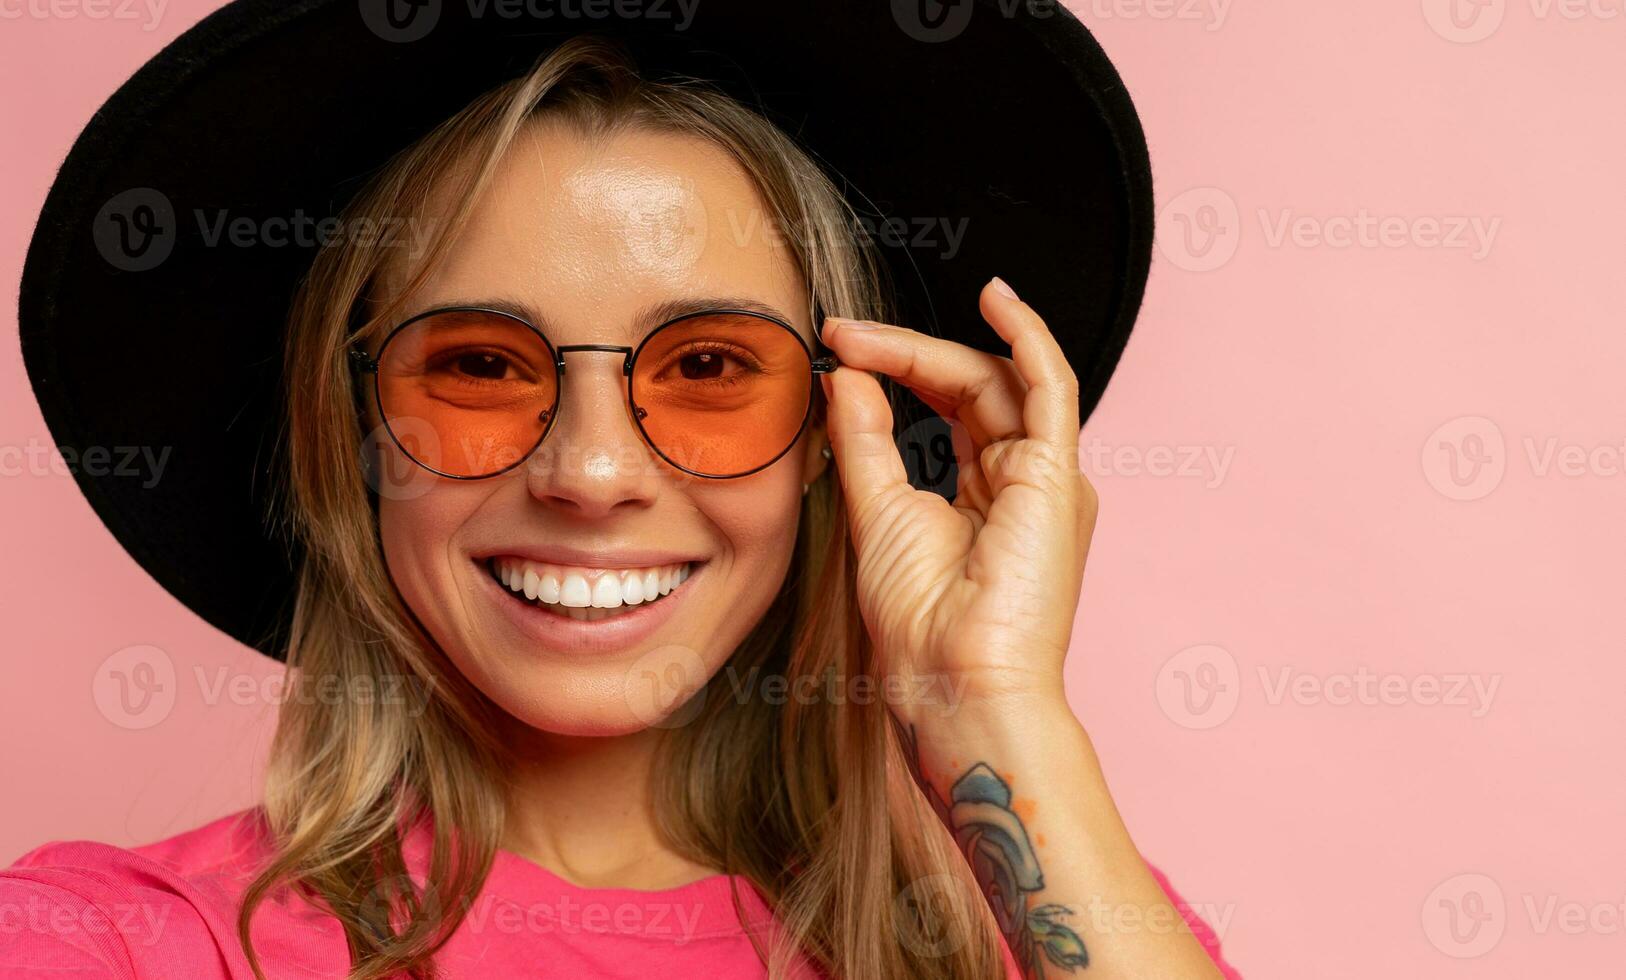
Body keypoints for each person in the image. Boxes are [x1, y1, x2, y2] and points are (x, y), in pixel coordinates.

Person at [6, 3, 1241, 977]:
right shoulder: (111, 940)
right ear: (356, 433)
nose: (592, 474)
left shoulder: (1042, 924)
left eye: (709, 366)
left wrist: (992, 706)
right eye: (481, 366)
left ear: (833, 433)